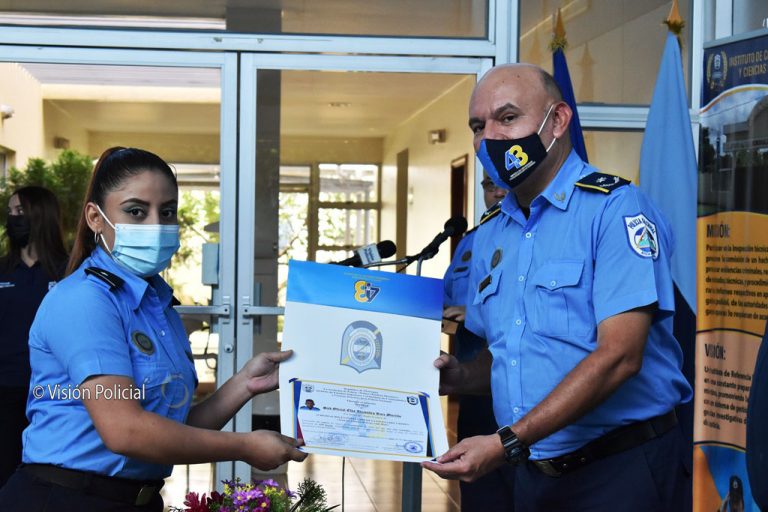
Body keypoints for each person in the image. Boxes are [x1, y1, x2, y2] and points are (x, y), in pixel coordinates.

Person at [422, 64, 692, 512]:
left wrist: (508, 441)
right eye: (478, 126)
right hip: (534, 475)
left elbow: (620, 356)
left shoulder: (616, 211)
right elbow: (509, 352)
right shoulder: (492, 231)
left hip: (620, 471)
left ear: (558, 120)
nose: (491, 138)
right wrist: (464, 377)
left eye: (508, 118)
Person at [0, 147, 307, 511]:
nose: (156, 225)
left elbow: (170, 424)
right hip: (65, 499)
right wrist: (245, 446)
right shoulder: (85, 300)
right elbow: (126, 431)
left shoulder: (156, 303)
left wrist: (245, 384)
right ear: (96, 218)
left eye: (167, 212)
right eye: (135, 211)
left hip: (135, 499)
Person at [442, 174, 511, 511]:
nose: (496, 192)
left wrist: (474, 311)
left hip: (520, 387)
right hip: (472, 375)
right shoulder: (473, 240)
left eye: (503, 182)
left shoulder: (539, 234)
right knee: (480, 493)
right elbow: (446, 296)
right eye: (488, 185)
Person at [0, 186, 68, 488]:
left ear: (41, 215)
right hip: (5, 391)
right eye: (10, 212)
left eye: (20, 211)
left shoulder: (70, 271)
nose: (13, 218)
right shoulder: (3, 270)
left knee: (49, 479)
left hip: (55, 395)